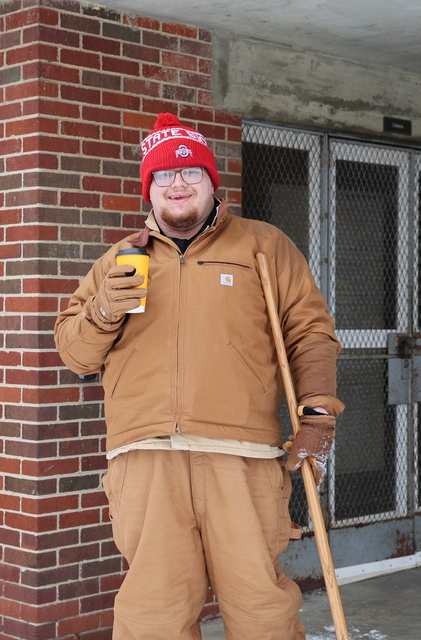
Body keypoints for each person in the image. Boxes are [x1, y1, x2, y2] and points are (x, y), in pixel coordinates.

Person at [54, 113, 344, 640]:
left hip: (243, 458)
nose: (178, 183)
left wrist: (318, 416)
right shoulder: (119, 261)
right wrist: (103, 310)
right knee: (152, 618)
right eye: (165, 175)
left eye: (191, 171)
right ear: (150, 189)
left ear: (214, 182)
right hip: (144, 459)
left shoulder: (263, 246)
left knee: (262, 613)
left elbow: (310, 332)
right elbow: (76, 355)